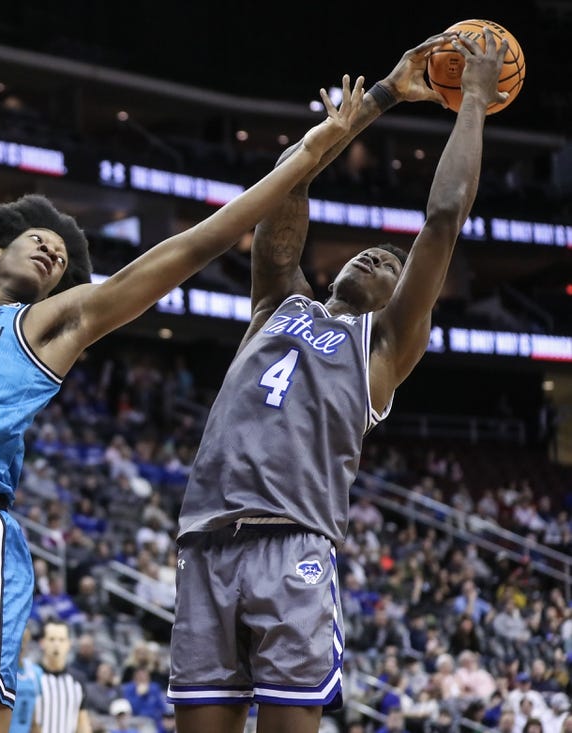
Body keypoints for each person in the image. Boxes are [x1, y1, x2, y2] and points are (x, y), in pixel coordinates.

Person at [0, 69, 365, 733]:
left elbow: (188, 247)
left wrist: (308, 156)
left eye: (64, 257)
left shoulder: (47, 325)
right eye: (41, 238)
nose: (55, 248)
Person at [167, 29, 507, 733]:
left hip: (293, 545)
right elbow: (284, 188)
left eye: (391, 262)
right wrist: (378, 97)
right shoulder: (277, 301)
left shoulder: (383, 345)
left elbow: (442, 220)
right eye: (372, 252)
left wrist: (472, 99)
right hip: (204, 541)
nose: (379, 257)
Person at [35, 619, 90, 733]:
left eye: (61, 640)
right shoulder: (31, 676)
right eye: (51, 639)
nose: (56, 644)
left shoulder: (78, 680)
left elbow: (82, 722)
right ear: (42, 643)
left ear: (68, 644)